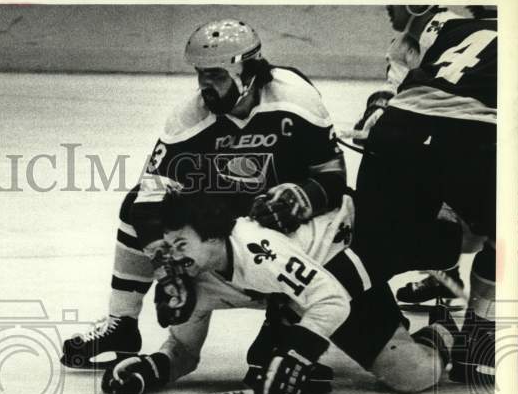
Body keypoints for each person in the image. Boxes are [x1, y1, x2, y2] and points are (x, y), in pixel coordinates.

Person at [61, 19, 346, 370]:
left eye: (217, 76)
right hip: (221, 212)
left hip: (278, 214)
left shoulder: (297, 99)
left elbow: (333, 181)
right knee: (133, 206)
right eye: (201, 75)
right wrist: (167, 271)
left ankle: (283, 317)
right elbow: (147, 200)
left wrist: (302, 197)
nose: (205, 86)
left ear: (248, 71)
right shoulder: (188, 118)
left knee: (328, 223)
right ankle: (122, 323)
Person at [99, 190, 452, 394]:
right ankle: (281, 326)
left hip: (348, 246)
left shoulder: (260, 253)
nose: (174, 260)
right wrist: (153, 369)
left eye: (181, 246)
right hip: (300, 289)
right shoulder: (196, 277)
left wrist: (296, 355)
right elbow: (184, 351)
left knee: (412, 373)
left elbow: (330, 301)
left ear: (213, 238)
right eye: (169, 247)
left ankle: (450, 327)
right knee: (288, 315)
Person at [351, 5, 497, 385]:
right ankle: (479, 347)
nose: (387, 4)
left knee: (369, 242)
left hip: (397, 129)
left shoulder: (446, 22)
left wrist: (377, 112)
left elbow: (401, 82)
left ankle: (375, 324)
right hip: (473, 135)